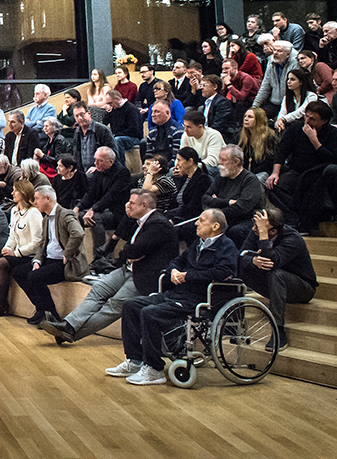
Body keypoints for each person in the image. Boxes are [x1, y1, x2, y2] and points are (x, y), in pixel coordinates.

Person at [111, 208, 237, 386]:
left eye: (201, 220)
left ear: (215, 226)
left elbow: (223, 272)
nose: (196, 223)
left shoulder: (226, 246)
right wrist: (174, 272)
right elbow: (177, 261)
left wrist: (188, 276)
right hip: (178, 293)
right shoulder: (198, 244)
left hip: (199, 299)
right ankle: (134, 360)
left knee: (150, 312)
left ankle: (154, 369)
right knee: (130, 306)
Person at [40, 190, 178, 345]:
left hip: (145, 277)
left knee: (114, 305)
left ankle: (71, 332)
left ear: (144, 205)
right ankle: (68, 325)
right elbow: (127, 243)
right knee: (98, 290)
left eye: (132, 203)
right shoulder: (140, 221)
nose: (128, 205)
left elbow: (134, 250)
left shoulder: (159, 224)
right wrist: (128, 221)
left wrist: (127, 253)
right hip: (128, 269)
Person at [239, 207, 317, 348]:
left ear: (274, 231)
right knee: (242, 268)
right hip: (274, 283)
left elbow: (272, 262)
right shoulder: (256, 231)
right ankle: (234, 324)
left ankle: (278, 331)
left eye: (259, 227)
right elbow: (241, 256)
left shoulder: (293, 238)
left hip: (302, 287)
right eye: (255, 225)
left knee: (276, 274)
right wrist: (252, 260)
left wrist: (263, 234)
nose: (254, 229)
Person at [13, 185, 87, 324]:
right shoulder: (46, 218)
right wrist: (37, 261)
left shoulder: (65, 214)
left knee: (34, 277)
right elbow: (42, 243)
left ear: (47, 198)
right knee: (18, 272)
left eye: (37, 198)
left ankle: (52, 314)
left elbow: (78, 233)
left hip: (63, 264)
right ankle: (41, 309)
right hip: (48, 260)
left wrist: (67, 254)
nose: (35, 202)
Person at [266, 101, 337, 233]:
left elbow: (332, 158)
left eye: (312, 119)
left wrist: (314, 140)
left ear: (324, 121)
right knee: (274, 185)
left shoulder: (332, 133)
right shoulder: (295, 128)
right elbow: (282, 151)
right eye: (306, 116)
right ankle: (293, 219)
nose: (307, 121)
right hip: (298, 171)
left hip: (320, 171)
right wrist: (275, 173)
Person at [0, 179, 43, 317]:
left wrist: (16, 253)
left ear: (23, 192)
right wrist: (7, 248)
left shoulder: (33, 213)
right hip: (16, 253)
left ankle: (3, 303)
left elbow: (37, 243)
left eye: (15, 191)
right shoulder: (14, 211)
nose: (12, 193)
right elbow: (12, 236)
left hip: (29, 255)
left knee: (2, 263)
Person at [201, 145, 267, 245]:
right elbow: (205, 198)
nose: (220, 163)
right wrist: (227, 202)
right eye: (220, 159)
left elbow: (241, 208)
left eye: (224, 160)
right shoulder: (221, 177)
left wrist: (216, 213)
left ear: (236, 162)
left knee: (235, 231)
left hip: (246, 219)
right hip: (225, 217)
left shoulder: (250, 180)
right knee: (194, 227)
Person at [76, 146, 131, 259]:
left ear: (110, 162)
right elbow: (90, 193)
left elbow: (111, 196)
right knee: (75, 216)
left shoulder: (122, 173)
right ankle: (77, 258)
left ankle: (100, 258)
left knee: (95, 219)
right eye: (95, 159)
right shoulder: (99, 171)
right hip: (101, 208)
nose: (95, 163)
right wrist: (78, 207)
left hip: (116, 212)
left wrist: (93, 209)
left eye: (100, 160)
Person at [253, 40, 300, 120]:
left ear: (288, 54)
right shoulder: (271, 62)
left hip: (290, 102)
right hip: (275, 102)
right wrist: (255, 106)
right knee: (256, 117)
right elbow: (265, 86)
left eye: (279, 51)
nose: (275, 53)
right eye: (274, 50)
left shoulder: (296, 64)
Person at [69, 101, 118, 174]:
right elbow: (76, 155)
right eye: (77, 116)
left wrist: (97, 167)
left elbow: (113, 153)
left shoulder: (102, 130)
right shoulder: (77, 132)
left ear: (89, 113)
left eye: (82, 114)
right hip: (84, 172)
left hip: (100, 171)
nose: (80, 118)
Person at [168, 146, 210, 227]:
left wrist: (174, 219)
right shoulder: (184, 177)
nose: (177, 164)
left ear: (190, 161)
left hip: (189, 218)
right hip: (177, 213)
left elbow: (193, 207)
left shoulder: (202, 180)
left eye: (179, 160)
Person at [237, 106, 278, 180]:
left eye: (250, 117)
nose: (246, 119)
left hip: (264, 172)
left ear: (258, 120)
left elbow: (270, 162)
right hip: (246, 172)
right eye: (245, 116)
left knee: (257, 179)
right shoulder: (240, 136)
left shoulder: (269, 137)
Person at [275, 68, 319, 132]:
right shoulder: (286, 97)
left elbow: (301, 112)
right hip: (291, 125)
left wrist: (283, 119)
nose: (288, 82)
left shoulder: (311, 96)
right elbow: (282, 112)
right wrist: (279, 121)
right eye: (288, 79)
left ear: (301, 82)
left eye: (292, 79)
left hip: (305, 126)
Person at [199, 73, 237, 143]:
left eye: (205, 85)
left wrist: (204, 135)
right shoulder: (206, 102)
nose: (201, 88)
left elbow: (219, 125)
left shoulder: (223, 102)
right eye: (201, 85)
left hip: (220, 137)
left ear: (215, 87)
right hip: (207, 134)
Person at [102, 89, 142, 155]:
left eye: (110, 103)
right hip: (118, 136)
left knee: (117, 140)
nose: (110, 105)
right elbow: (104, 122)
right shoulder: (114, 109)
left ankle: (119, 162)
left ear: (117, 99)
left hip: (132, 138)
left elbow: (134, 130)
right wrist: (108, 113)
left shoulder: (131, 109)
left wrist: (115, 135)